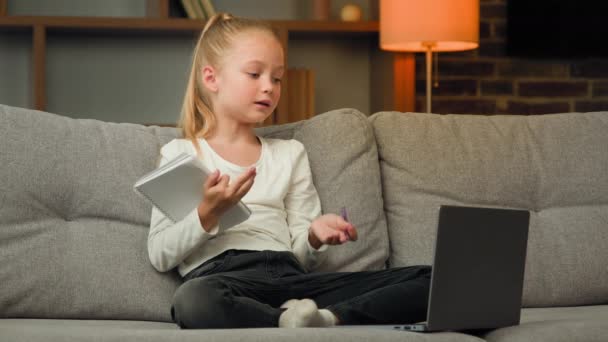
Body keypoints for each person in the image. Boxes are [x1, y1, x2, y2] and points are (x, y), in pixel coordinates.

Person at [148, 12, 431, 329]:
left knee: (433, 279)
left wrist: (312, 236)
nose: (269, 87)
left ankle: (324, 319)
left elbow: (301, 256)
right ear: (211, 78)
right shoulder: (181, 154)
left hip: (290, 278)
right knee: (192, 300)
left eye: (277, 78)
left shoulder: (290, 154)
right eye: (255, 74)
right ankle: (285, 321)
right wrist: (207, 214)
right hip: (225, 279)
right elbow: (160, 254)